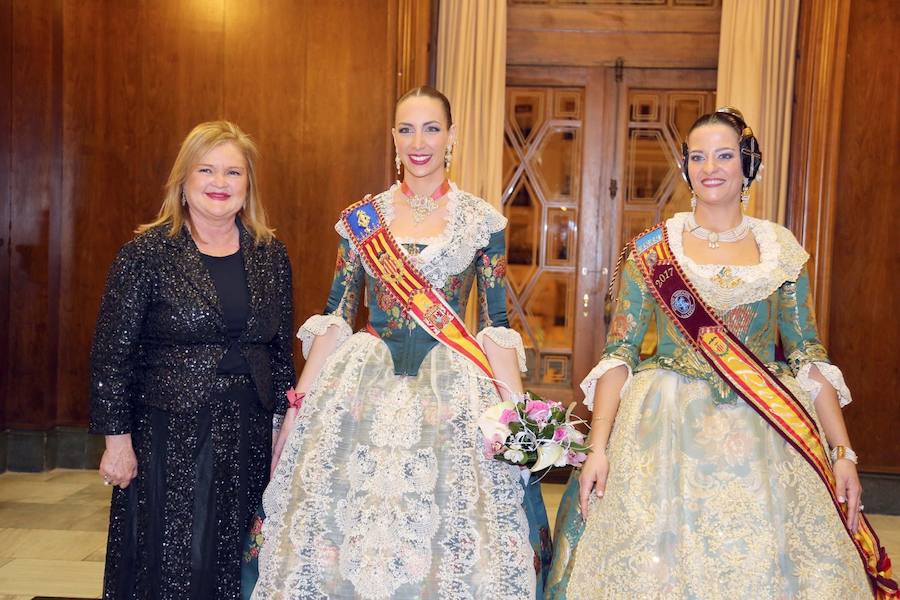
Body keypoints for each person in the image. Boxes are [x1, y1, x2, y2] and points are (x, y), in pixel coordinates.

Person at [554, 108, 896, 598]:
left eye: (724, 155)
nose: (709, 167)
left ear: (747, 164)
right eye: (697, 156)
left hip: (764, 427)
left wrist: (842, 452)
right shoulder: (653, 250)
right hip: (664, 427)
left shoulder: (780, 249)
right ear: (686, 166)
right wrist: (599, 448)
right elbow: (620, 352)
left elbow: (806, 354)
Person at [243, 86, 543, 599]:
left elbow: (495, 322)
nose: (418, 141)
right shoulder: (364, 220)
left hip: (453, 391)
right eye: (406, 129)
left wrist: (520, 412)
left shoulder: (480, 220)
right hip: (363, 384)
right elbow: (337, 313)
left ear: (452, 137)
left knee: (451, 528)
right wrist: (298, 404)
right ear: (393, 138)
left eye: (431, 128)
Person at [89, 121, 295, 599]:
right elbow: (111, 355)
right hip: (170, 434)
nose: (220, 183)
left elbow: (279, 349)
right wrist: (116, 442)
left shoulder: (271, 254)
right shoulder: (145, 255)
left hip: (249, 430)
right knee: (173, 560)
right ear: (183, 181)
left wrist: (285, 426)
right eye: (206, 170)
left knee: (237, 561)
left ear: (248, 185)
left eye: (233, 172)